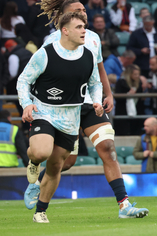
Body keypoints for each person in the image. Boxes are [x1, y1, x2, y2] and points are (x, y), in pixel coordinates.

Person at [23, 0, 148, 220]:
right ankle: (39, 181)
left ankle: (124, 205)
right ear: (64, 19)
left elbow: (97, 69)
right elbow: (42, 73)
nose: (84, 13)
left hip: (89, 103)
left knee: (108, 148)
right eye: (77, 11)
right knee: (65, 162)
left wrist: (106, 94)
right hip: (61, 109)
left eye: (84, 10)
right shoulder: (52, 41)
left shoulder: (93, 38)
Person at [17, 12, 104, 223]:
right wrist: (27, 104)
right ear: (65, 31)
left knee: (56, 166)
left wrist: (97, 100)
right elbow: (23, 80)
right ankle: (34, 161)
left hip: (70, 117)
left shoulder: (88, 55)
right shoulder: (44, 54)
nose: (84, 30)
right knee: (41, 151)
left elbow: (95, 83)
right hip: (44, 111)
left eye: (85, 26)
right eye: (79, 27)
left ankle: (40, 211)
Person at [114, 64, 144, 135]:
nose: (137, 76)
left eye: (138, 74)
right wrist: (127, 95)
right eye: (135, 74)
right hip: (123, 112)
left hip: (137, 111)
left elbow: (141, 96)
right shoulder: (121, 82)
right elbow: (117, 97)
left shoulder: (139, 83)